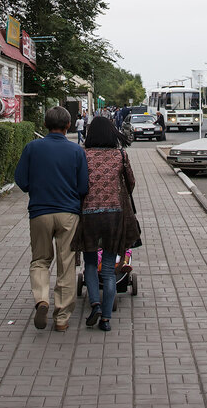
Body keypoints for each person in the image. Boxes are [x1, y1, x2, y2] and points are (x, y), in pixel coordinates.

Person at [14, 106, 89, 331]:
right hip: (68, 214)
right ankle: (62, 318)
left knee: (40, 260)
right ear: (68, 125)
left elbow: (21, 179)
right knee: (66, 264)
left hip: (40, 213)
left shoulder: (32, 148)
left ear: (45, 125)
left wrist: (35, 190)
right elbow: (83, 186)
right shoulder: (76, 151)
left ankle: (42, 300)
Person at [74, 117, 141, 332]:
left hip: (89, 215)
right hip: (115, 215)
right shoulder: (120, 155)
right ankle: (106, 319)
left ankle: (94, 304)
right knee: (110, 269)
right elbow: (130, 183)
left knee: (91, 264)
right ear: (112, 133)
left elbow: (78, 184)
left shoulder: (82, 155)